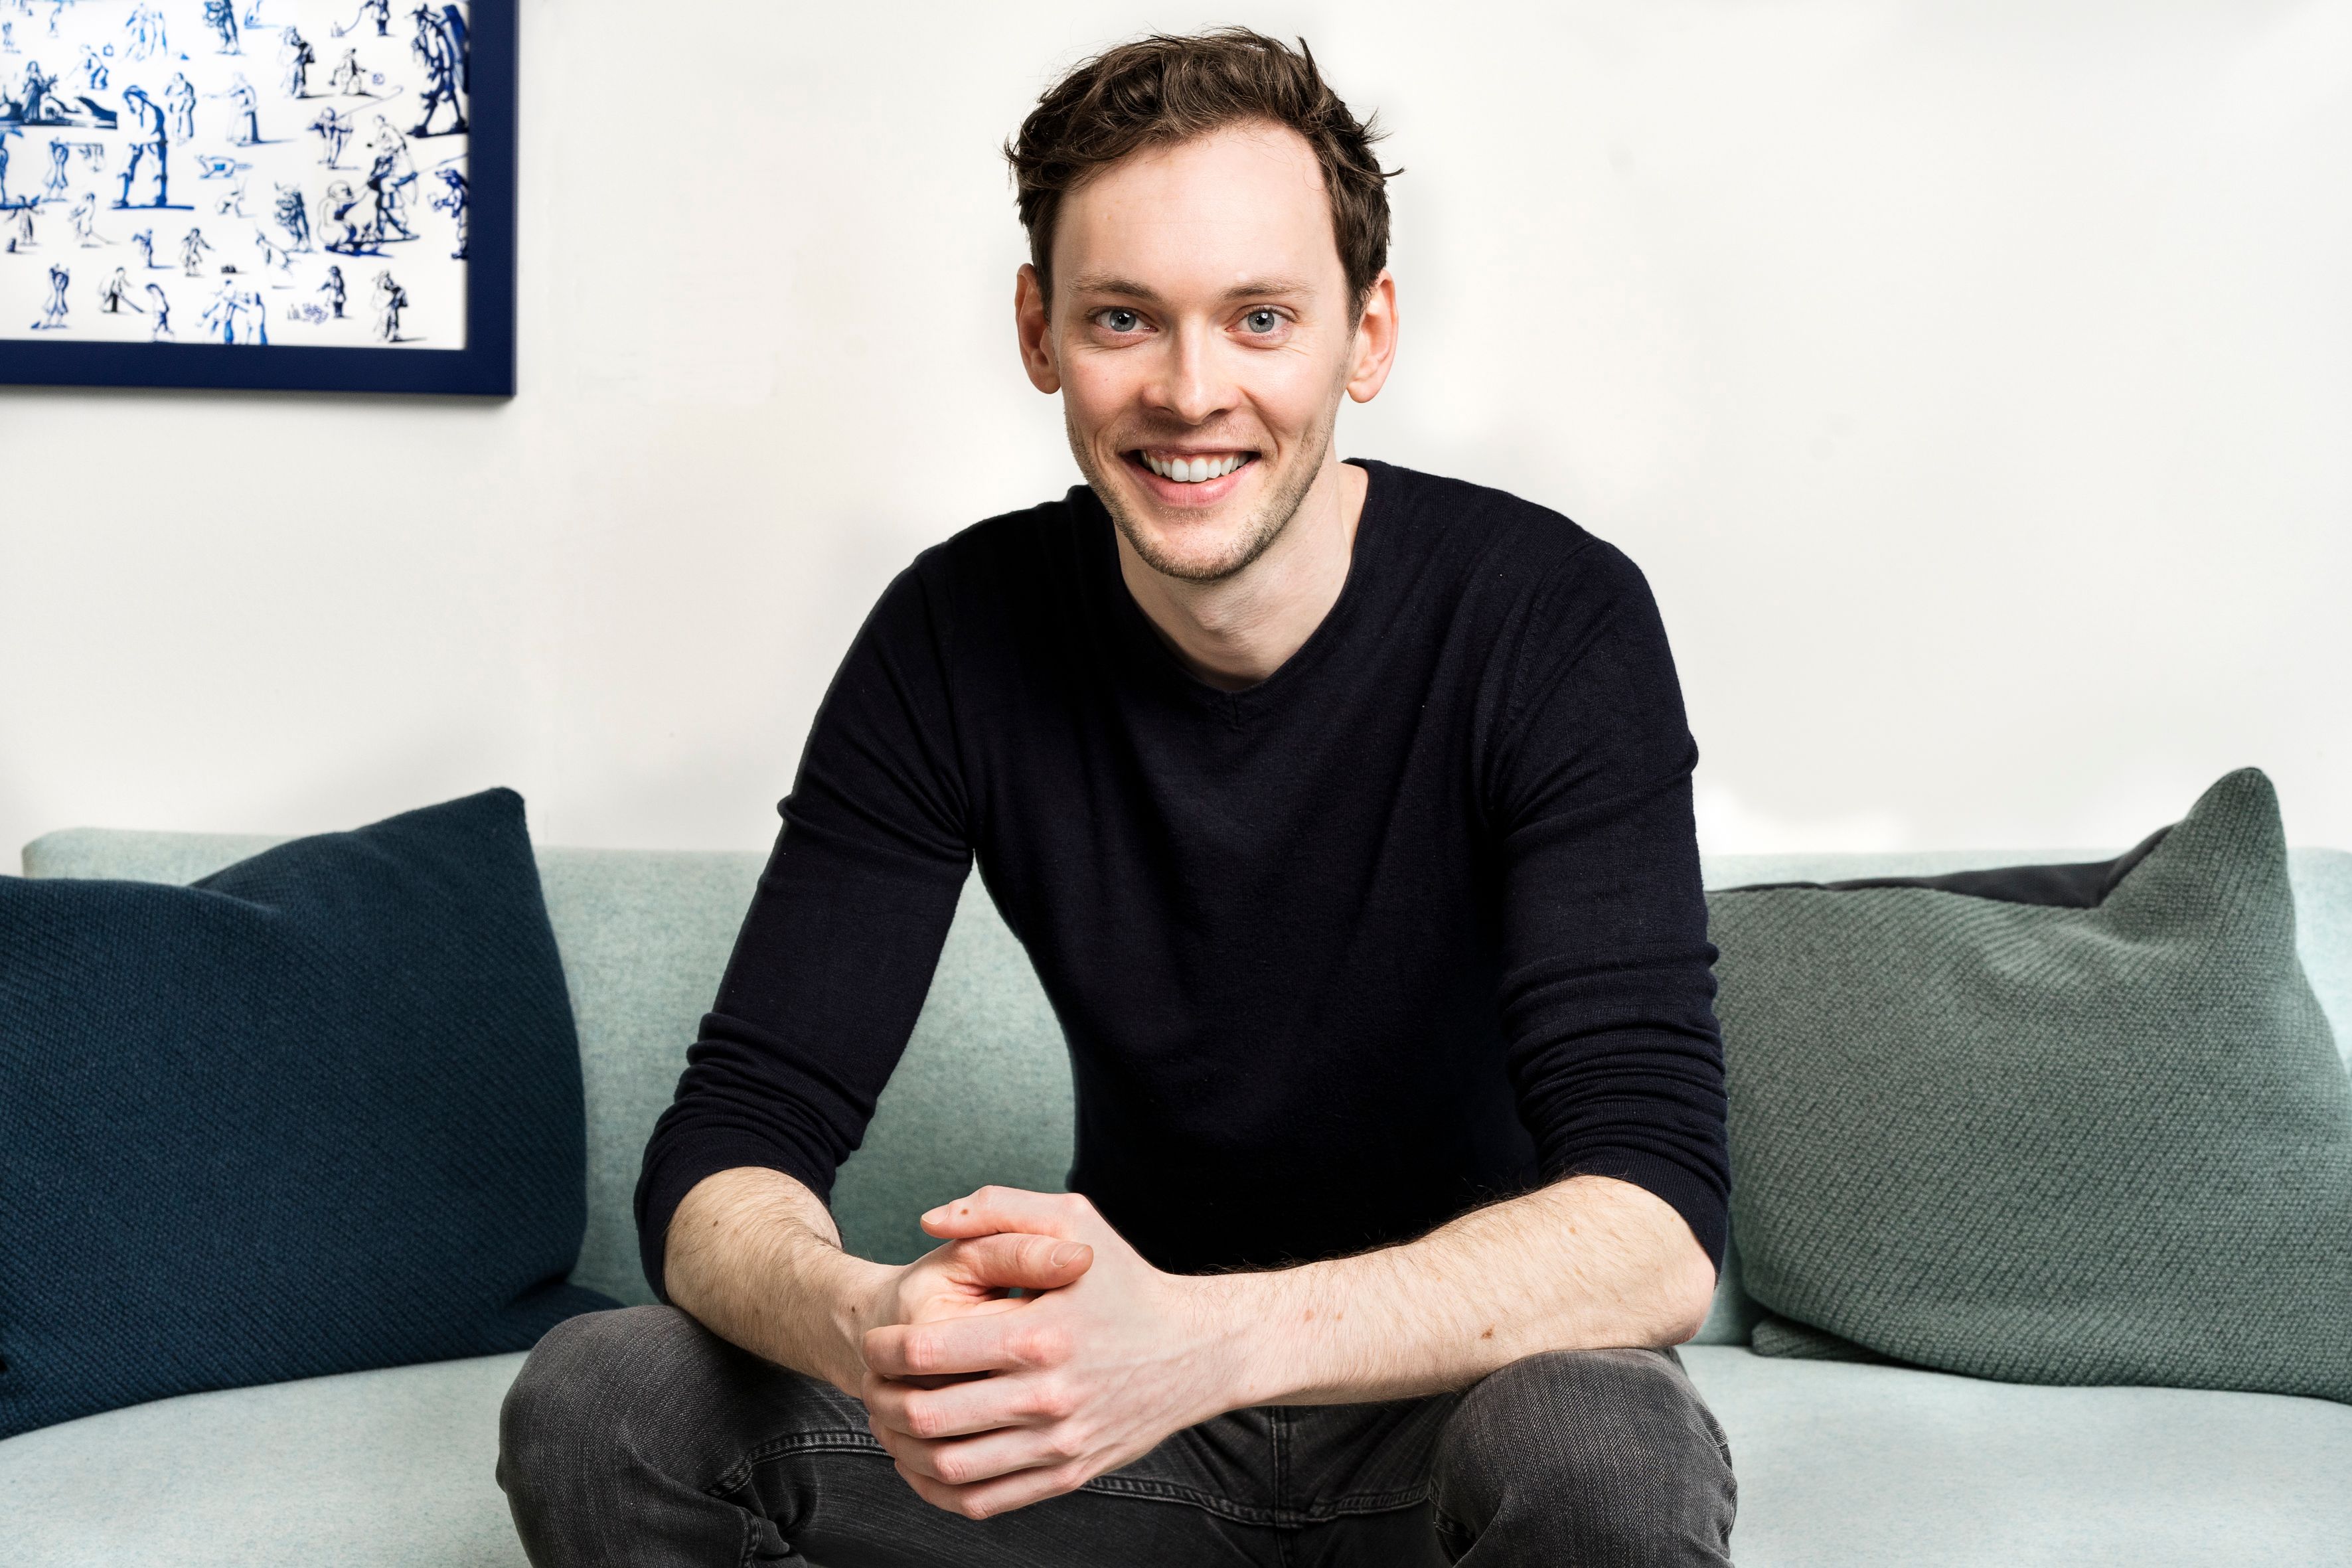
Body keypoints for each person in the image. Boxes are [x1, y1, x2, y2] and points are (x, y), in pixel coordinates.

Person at [499, 28, 1736, 1568]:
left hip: (1447, 1408)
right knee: (604, 1396)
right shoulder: (953, 633)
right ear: (1041, 332)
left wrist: (1205, 1338)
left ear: (1365, 336)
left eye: (1261, 317)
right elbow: (729, 1144)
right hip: (1097, 1432)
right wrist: (865, 1313)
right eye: (1123, 319)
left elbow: (1655, 1218)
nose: (1188, 390)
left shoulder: (1551, 618)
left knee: (1599, 1439)